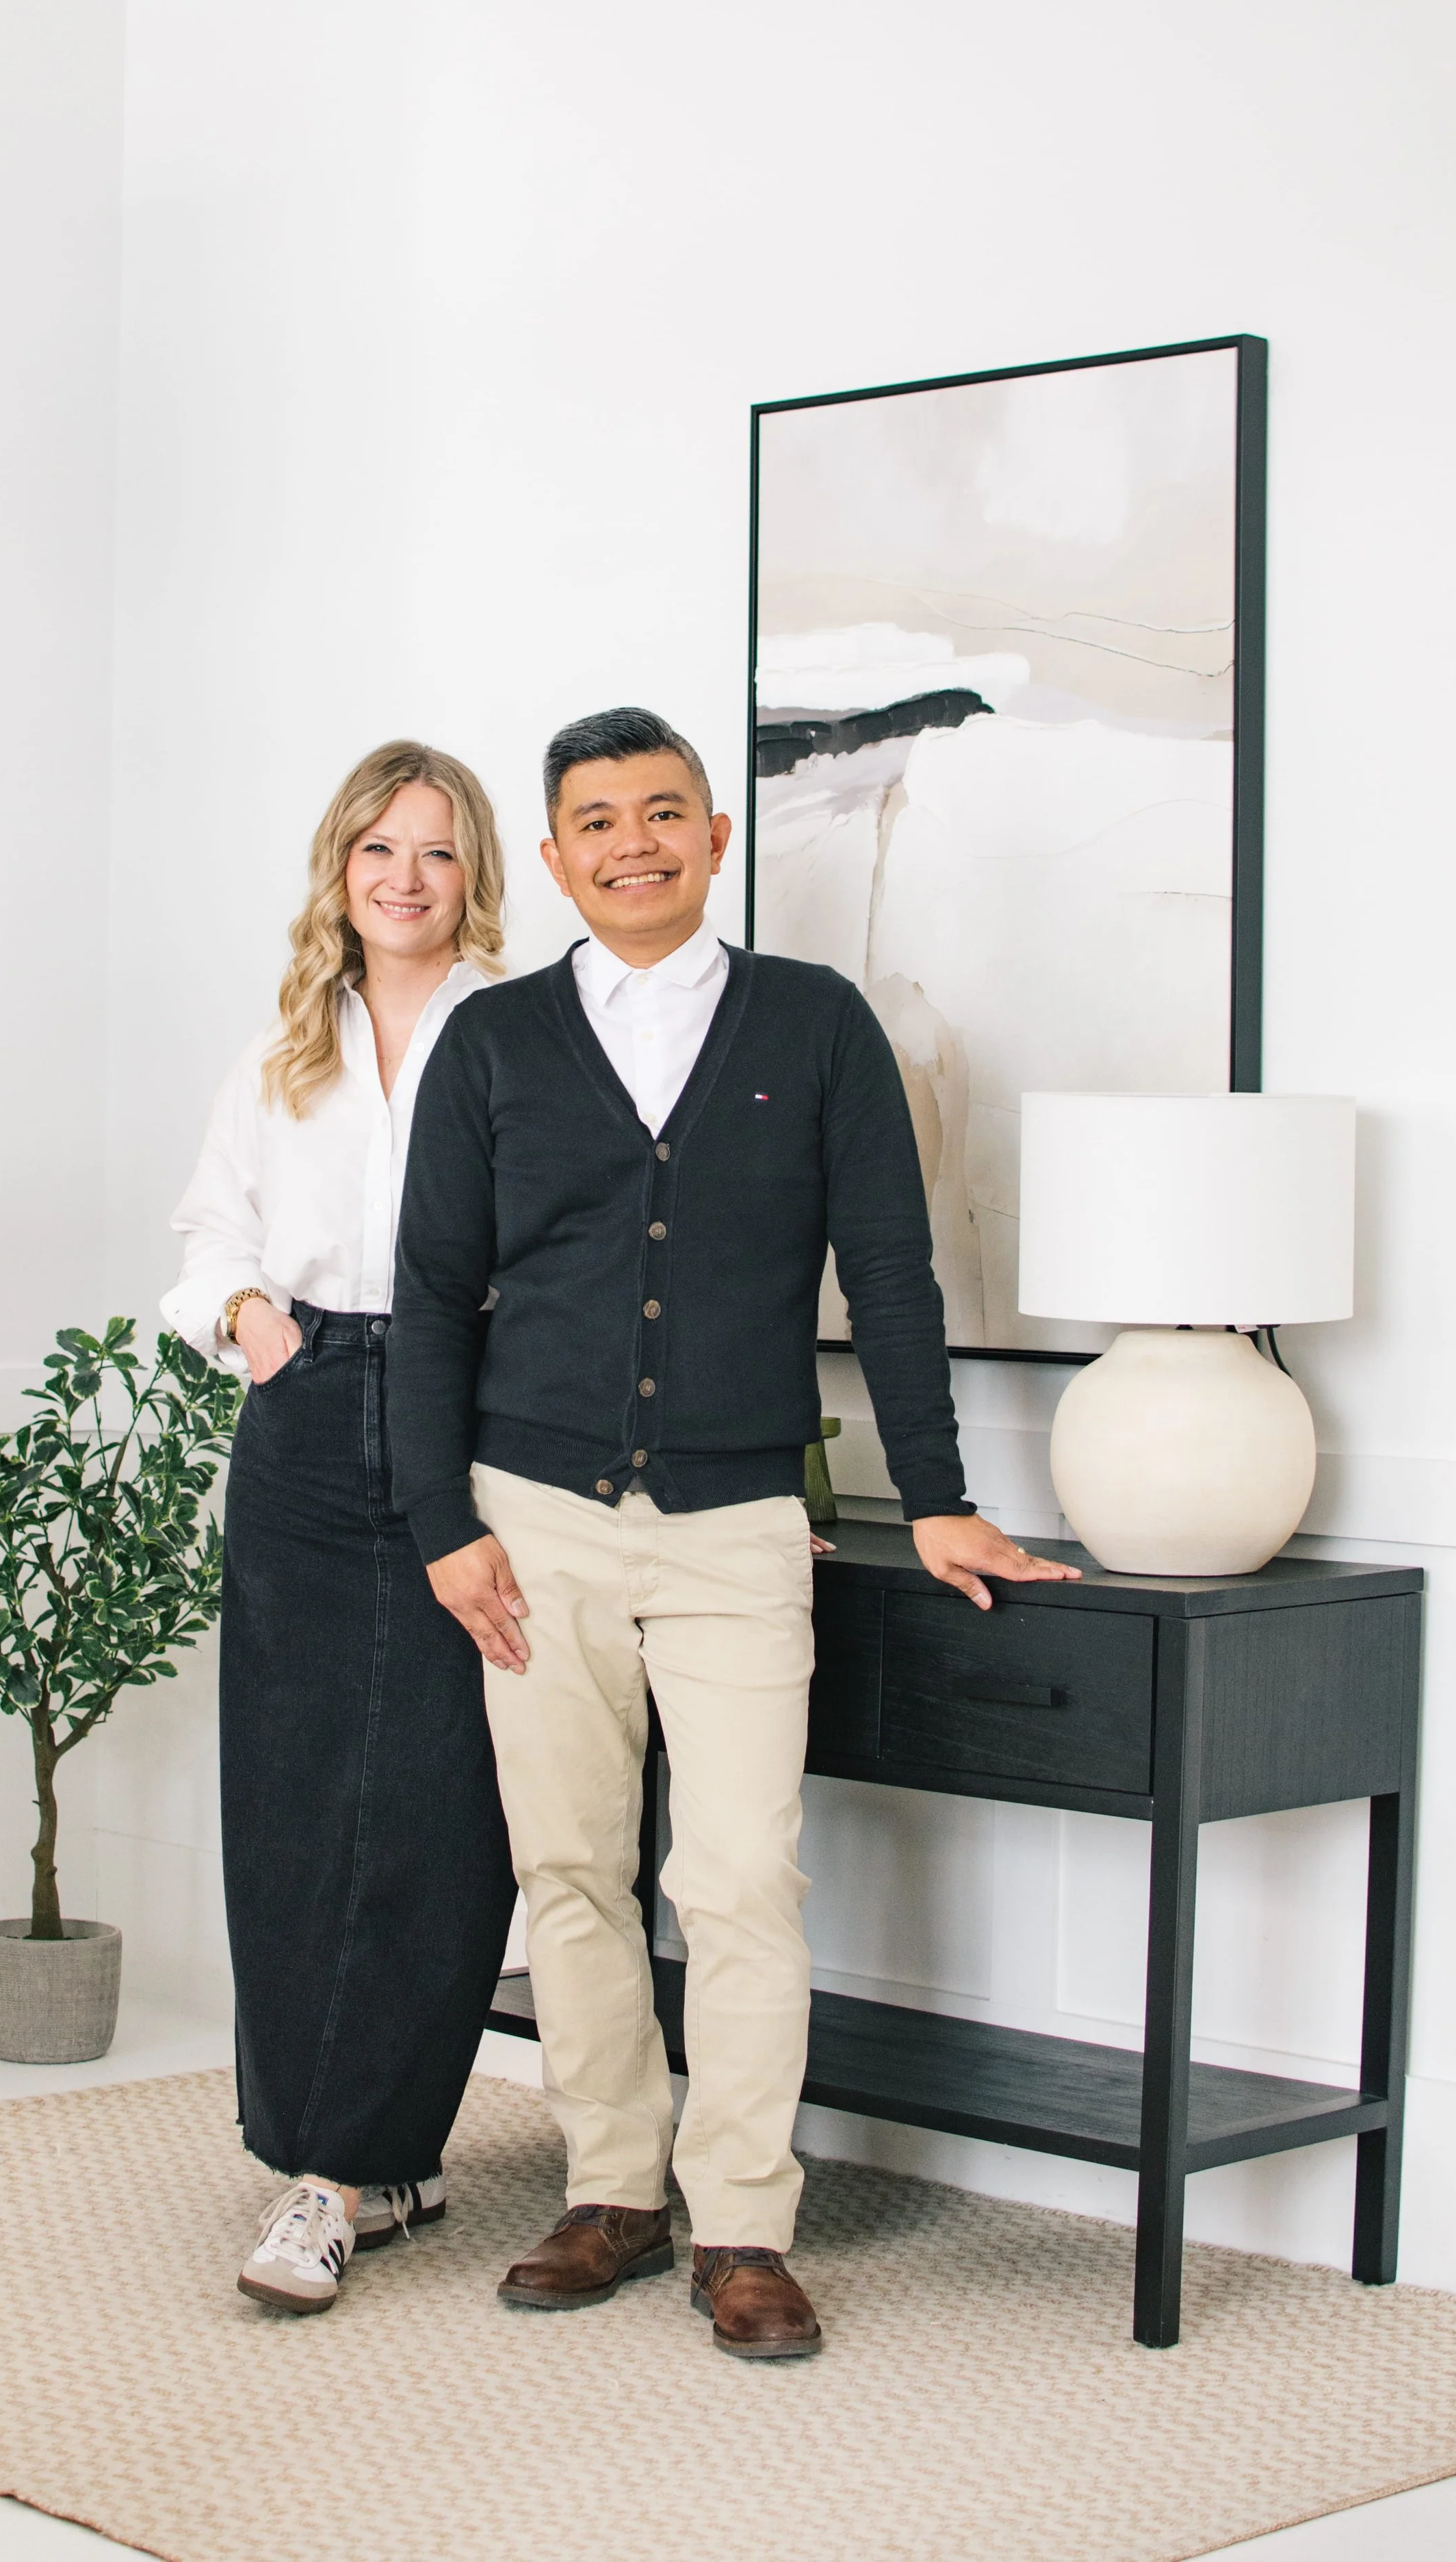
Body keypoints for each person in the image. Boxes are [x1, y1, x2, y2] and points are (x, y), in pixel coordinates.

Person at [389, 704, 1080, 2359]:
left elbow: (892, 1276)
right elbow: (429, 1299)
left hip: (740, 1524)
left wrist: (938, 1500)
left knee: (742, 1878)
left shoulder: (813, 1025)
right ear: (551, 860)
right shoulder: (490, 1045)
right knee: (565, 1872)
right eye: (597, 820)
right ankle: (612, 2185)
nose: (633, 841)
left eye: (663, 811)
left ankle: (746, 2223)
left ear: (711, 836)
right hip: (531, 1518)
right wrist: (442, 1526)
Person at [161, 738, 518, 2314]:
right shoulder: (278, 1051)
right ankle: (326, 2165)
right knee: (299, 1781)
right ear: (340, 866)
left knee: (447, 1793)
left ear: (472, 874)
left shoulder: (517, 1035)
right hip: (304, 1417)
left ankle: (368, 2154)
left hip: (472, 1420)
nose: (404, 876)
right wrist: (250, 1322)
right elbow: (203, 1232)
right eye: (378, 847)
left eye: (435, 852)